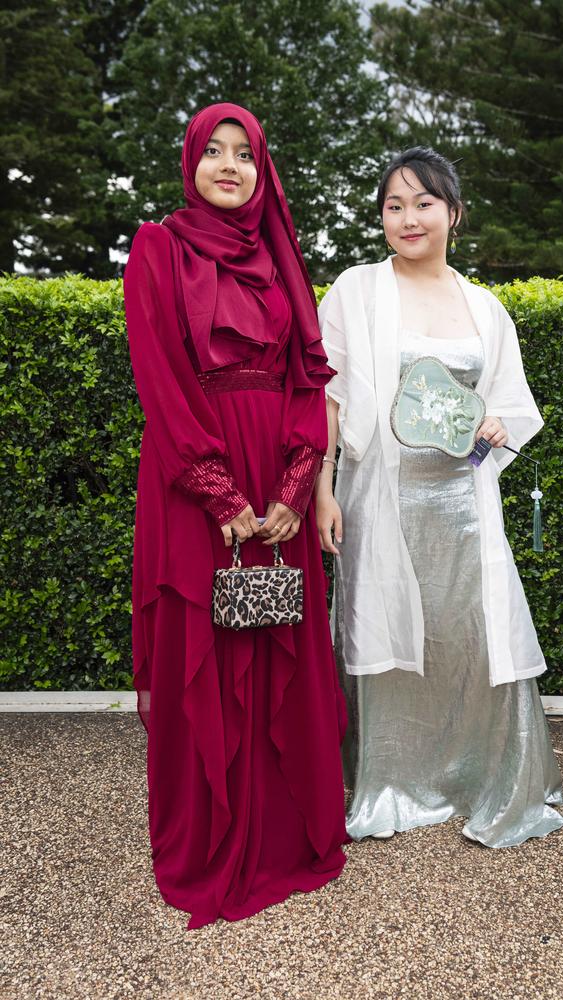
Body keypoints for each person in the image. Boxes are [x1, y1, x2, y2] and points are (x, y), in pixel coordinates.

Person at [123, 103, 348, 929]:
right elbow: (161, 376)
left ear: (262, 168)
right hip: (195, 475)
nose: (228, 165)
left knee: (275, 636)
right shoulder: (158, 248)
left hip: (276, 470)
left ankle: (287, 834)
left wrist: (294, 488)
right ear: (189, 162)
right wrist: (219, 492)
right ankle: (214, 841)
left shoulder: (282, 258)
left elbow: (306, 378)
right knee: (207, 649)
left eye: (243, 153)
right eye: (212, 151)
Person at [316, 147, 563, 847]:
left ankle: (486, 776)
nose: (408, 218)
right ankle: (391, 780)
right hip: (382, 503)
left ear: (453, 212)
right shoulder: (356, 291)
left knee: (475, 639)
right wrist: (322, 490)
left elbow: (511, 407)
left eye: (423, 203)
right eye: (393, 206)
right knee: (387, 637)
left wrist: (493, 426)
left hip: (464, 507)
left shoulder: (485, 308)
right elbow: (327, 402)